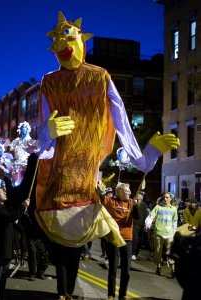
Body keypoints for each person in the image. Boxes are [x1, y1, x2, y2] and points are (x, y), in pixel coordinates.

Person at [34, 11, 179, 300]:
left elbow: (121, 119)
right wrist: (47, 131)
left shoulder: (100, 77)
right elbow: (42, 146)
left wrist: (148, 154)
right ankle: (64, 291)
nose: (64, 42)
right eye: (58, 39)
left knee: (73, 252)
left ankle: (68, 291)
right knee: (63, 253)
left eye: (69, 35)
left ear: (81, 41)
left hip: (86, 190)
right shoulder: (48, 82)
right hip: (56, 189)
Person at [0, 185, 30, 300]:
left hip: (7, 247)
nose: (4, 192)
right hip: (0, 247)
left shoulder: (4, 206)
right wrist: (23, 207)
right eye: (1, 192)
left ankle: (1, 296)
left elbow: (13, 214)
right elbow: (11, 217)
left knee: (4, 275)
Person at [97, 182, 138, 300]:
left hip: (127, 239)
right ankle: (111, 294)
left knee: (126, 270)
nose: (129, 193)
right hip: (113, 238)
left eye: (129, 191)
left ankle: (123, 294)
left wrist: (136, 206)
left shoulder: (131, 202)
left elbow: (137, 217)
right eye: (127, 191)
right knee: (113, 268)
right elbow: (99, 195)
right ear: (120, 192)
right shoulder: (111, 201)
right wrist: (97, 184)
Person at [145, 192, 178, 278]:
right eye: (164, 197)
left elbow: (175, 221)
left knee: (170, 253)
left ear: (170, 199)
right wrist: (147, 224)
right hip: (159, 233)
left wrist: (174, 231)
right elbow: (150, 217)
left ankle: (173, 270)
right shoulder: (158, 207)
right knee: (158, 252)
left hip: (169, 234)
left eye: (167, 197)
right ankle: (158, 267)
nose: (165, 199)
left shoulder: (173, 209)